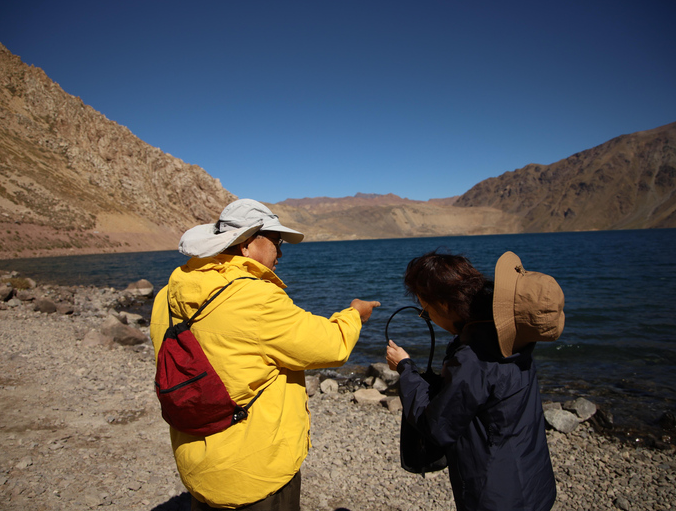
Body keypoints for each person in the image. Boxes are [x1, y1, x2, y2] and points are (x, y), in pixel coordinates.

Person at [150, 198, 380, 510]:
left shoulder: (167, 294)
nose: (281, 252)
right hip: (254, 474)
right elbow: (330, 344)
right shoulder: (254, 297)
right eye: (276, 241)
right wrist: (354, 314)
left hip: (198, 464)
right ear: (246, 244)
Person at [386, 251, 564, 511]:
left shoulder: (474, 359)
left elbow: (437, 426)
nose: (427, 316)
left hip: (495, 496)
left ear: (445, 305)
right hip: (535, 483)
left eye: (425, 309)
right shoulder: (517, 339)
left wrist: (405, 369)